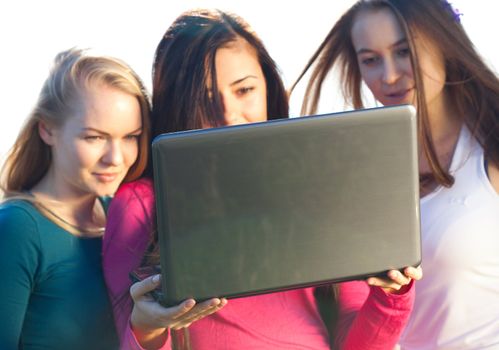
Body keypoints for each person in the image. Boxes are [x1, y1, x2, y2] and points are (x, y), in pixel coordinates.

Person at [103, 9, 421, 350]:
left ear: (268, 87)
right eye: (206, 98)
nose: (229, 115)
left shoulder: (316, 186)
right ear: (178, 103)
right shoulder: (143, 203)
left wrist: (391, 294)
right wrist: (148, 329)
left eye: (244, 90)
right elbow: (128, 336)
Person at [292, 0, 499, 348]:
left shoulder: (489, 142)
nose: (388, 76)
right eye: (370, 60)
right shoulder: (356, 180)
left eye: (404, 51)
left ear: (443, 41)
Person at [0, 48, 151, 350]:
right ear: (47, 130)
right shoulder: (19, 228)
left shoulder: (121, 215)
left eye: (130, 136)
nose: (116, 158)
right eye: (94, 137)